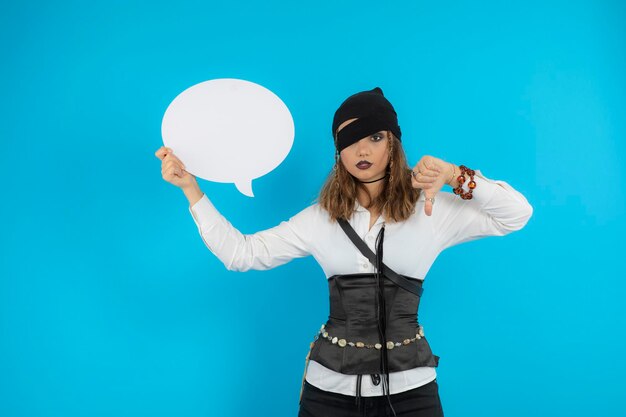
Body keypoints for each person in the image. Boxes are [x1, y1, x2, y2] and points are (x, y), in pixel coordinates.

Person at [154, 87, 533, 417]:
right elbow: (241, 254)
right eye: (350, 140)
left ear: (394, 143)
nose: (362, 150)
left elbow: (516, 214)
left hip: (412, 391)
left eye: (375, 137)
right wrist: (191, 189)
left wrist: (453, 175)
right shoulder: (320, 218)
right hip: (328, 394)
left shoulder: (431, 210)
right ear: (338, 151)